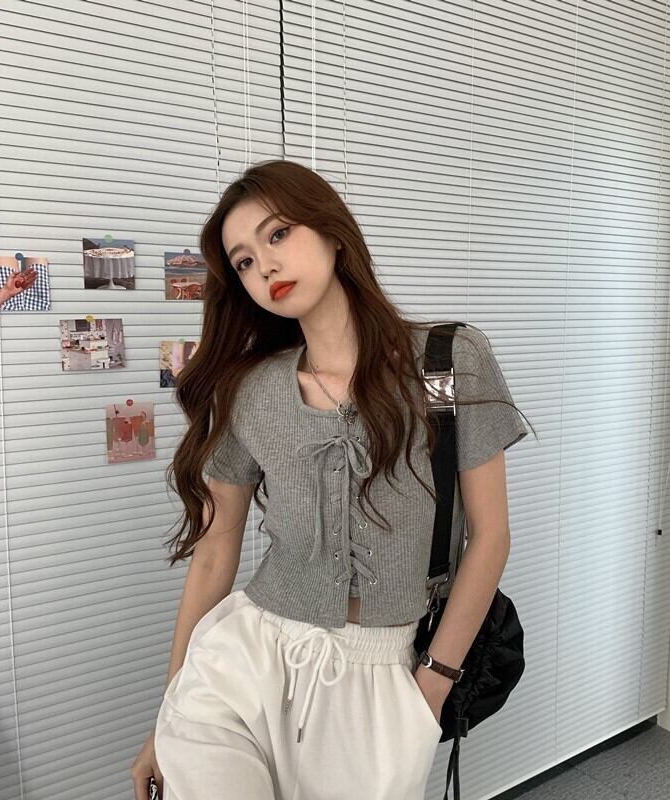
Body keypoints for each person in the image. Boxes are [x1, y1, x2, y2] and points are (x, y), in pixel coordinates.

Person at [129, 159, 534, 800]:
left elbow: (491, 537)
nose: (264, 266)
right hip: (246, 659)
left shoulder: (449, 363)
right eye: (243, 261)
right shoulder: (251, 390)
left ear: (332, 232)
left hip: (385, 676)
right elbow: (213, 553)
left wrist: (431, 686)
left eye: (278, 234)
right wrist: (167, 707)